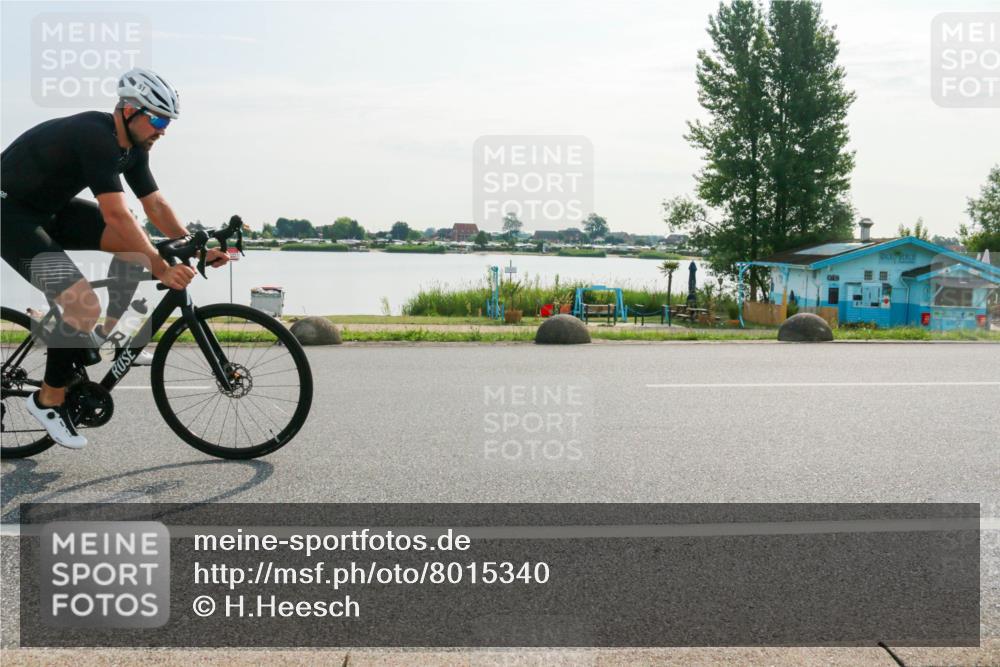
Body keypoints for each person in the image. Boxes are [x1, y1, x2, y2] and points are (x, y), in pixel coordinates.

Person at [0, 68, 228, 449]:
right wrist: (160, 266)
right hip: (9, 215)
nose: (162, 130)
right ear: (127, 110)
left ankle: (84, 333)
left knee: (130, 247)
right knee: (80, 302)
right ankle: (48, 401)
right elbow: (116, 215)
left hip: (49, 210)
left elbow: (154, 204)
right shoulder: (95, 136)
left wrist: (195, 247)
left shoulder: (133, 150)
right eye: (156, 119)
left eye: (167, 121)